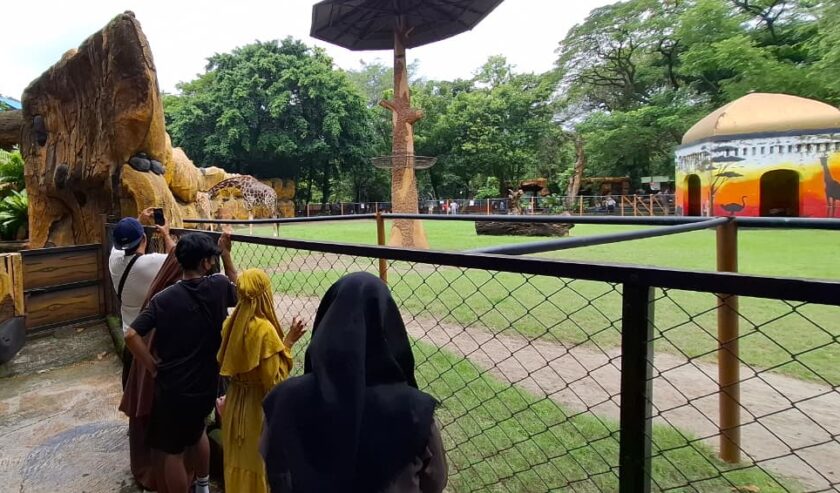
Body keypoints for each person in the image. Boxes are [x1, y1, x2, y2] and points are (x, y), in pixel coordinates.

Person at [261, 272, 448, 493]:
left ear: (326, 322)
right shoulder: (415, 412)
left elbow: (274, 469)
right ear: (389, 325)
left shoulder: (283, 400)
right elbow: (435, 482)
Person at [125, 231, 238, 493]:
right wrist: (227, 255)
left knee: (172, 451)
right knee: (198, 431)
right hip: (207, 382)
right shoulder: (219, 287)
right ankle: (203, 487)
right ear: (206, 263)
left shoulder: (163, 299)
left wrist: (152, 367)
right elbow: (242, 290)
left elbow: (131, 335)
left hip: (173, 388)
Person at [217, 269, 307, 493]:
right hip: (256, 410)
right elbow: (275, 383)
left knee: (235, 464)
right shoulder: (264, 331)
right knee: (257, 468)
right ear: (264, 295)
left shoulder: (230, 324)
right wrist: (287, 343)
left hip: (235, 403)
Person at [119, 251, 183, 491]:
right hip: (161, 374)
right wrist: (155, 369)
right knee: (168, 441)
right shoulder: (171, 298)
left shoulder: (160, 291)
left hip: (152, 369)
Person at [109, 208, 176, 388]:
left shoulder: (114, 261)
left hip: (131, 343)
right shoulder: (151, 263)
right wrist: (166, 234)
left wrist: (137, 221)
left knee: (133, 391)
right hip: (153, 341)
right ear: (144, 239)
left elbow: (118, 247)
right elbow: (176, 258)